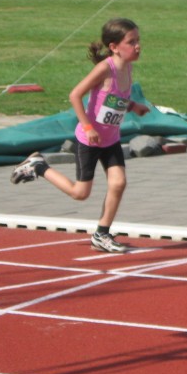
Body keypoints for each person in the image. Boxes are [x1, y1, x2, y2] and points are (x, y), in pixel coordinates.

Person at [10, 18, 150, 253]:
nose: (137, 46)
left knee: (118, 183)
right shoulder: (105, 68)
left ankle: (101, 234)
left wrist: (133, 105)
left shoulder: (128, 67)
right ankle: (38, 166)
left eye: (138, 41)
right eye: (131, 42)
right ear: (114, 47)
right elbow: (75, 95)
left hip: (111, 139)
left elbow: (114, 99)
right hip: (90, 141)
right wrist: (88, 127)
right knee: (80, 193)